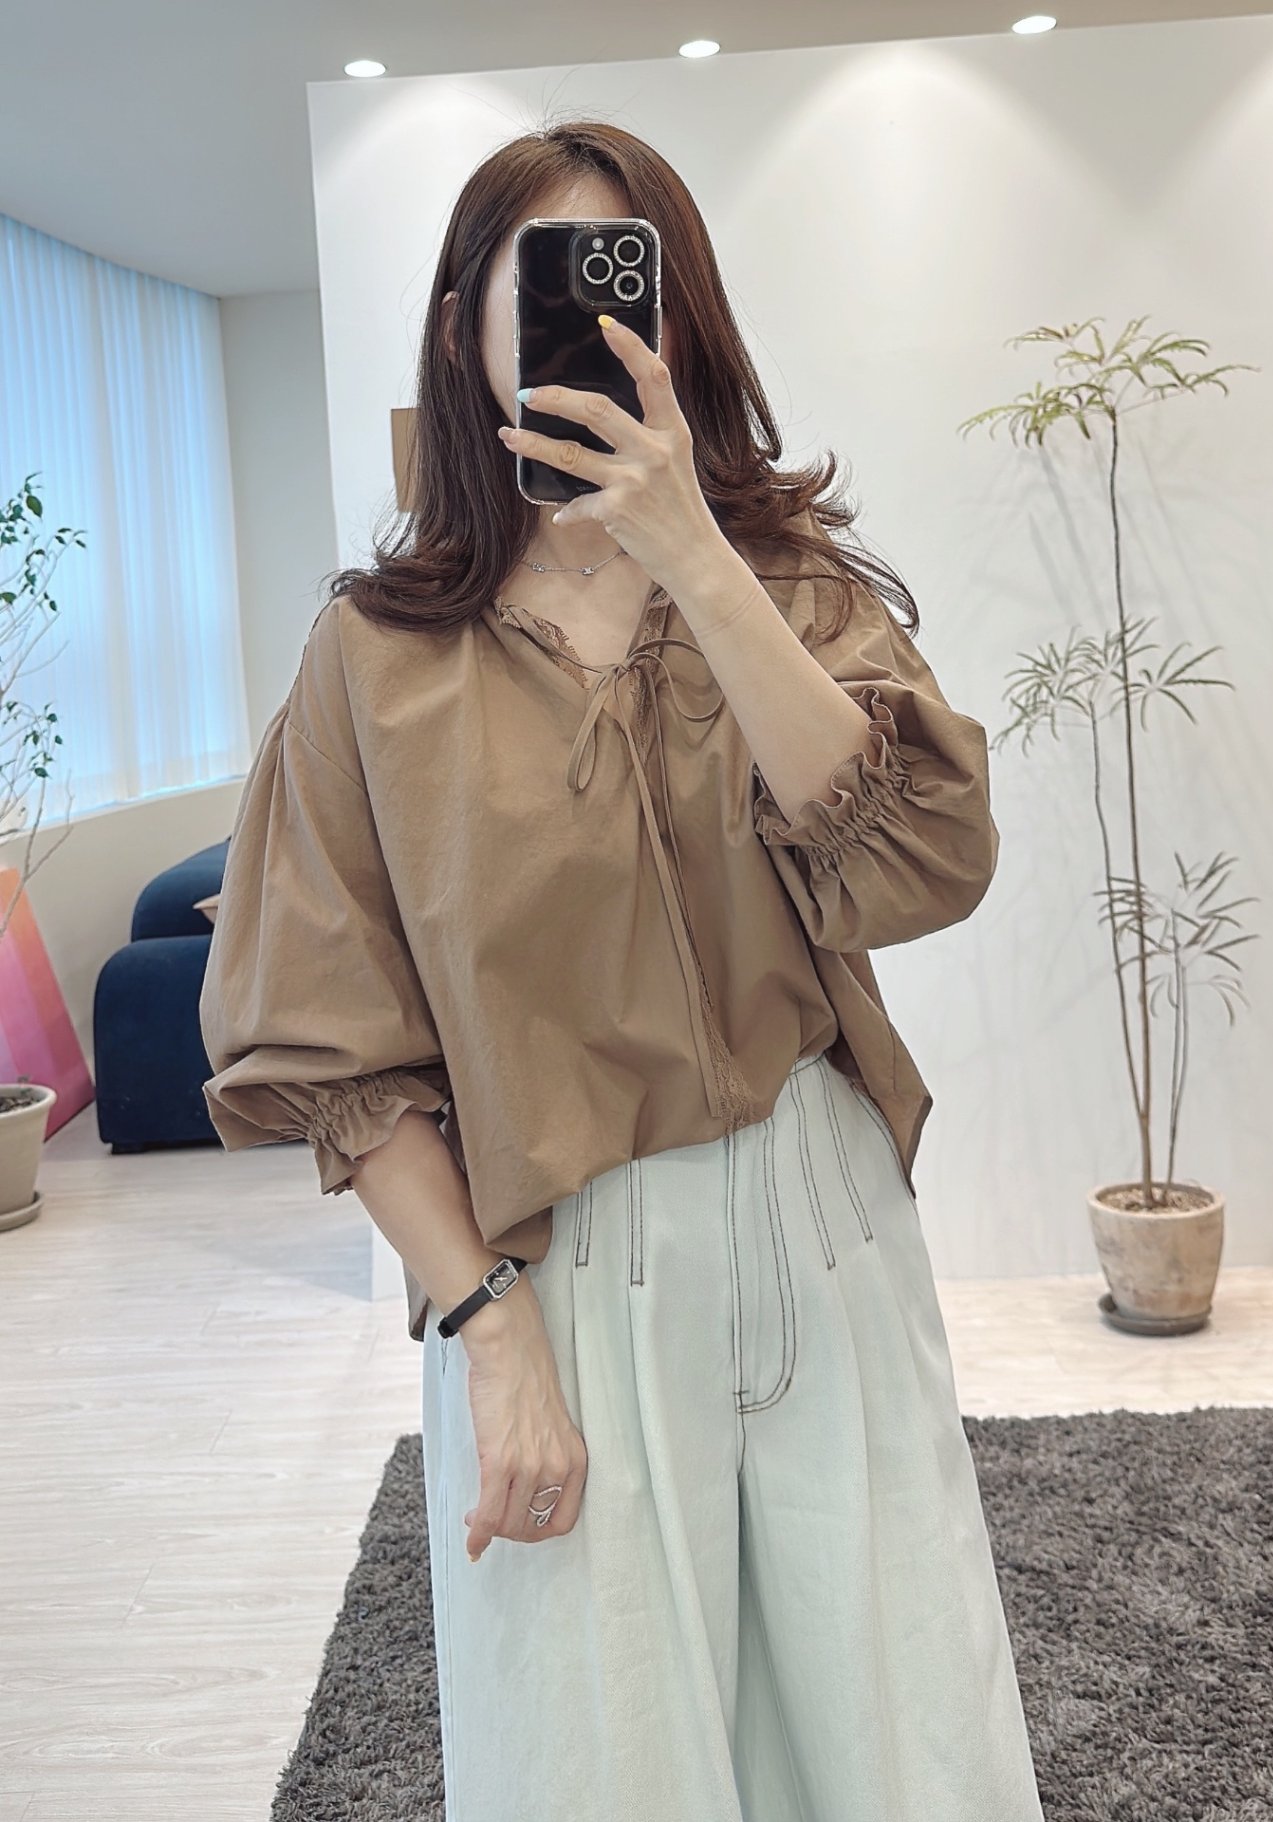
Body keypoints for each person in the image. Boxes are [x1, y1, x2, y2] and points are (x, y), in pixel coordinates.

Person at [200, 120, 1045, 1821]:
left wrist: (697, 560)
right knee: (600, 1763)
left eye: (624, 281)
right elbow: (328, 1041)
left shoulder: (783, 586)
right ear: (467, 328)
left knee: (904, 1744)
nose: (591, 321)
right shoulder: (375, 659)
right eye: (549, 282)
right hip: (564, 1266)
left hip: (820, 1212)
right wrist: (485, 1322)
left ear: (679, 316)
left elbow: (923, 860)